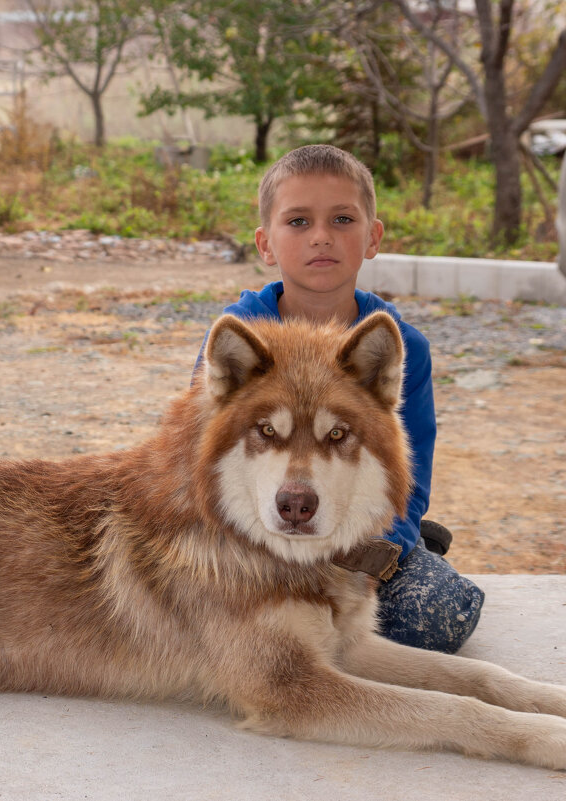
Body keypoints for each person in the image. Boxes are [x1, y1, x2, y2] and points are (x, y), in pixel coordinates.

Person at [194, 144, 484, 653]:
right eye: (299, 221)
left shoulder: (399, 346)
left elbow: (409, 478)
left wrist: (382, 548)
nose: (322, 236)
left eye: (343, 219)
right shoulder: (241, 337)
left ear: (372, 237)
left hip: (356, 532)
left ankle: (417, 544)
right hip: (255, 531)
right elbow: (203, 457)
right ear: (266, 243)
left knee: (431, 619)